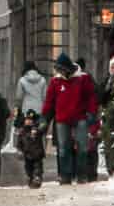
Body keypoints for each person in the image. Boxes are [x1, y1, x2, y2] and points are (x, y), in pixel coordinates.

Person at [40, 53, 99, 185]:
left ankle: (81, 174)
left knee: (82, 147)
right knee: (63, 148)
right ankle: (65, 175)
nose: (61, 72)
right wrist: (44, 118)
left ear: (68, 68)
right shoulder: (56, 81)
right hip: (62, 119)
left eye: (62, 69)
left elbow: (91, 97)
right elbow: (49, 101)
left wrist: (91, 112)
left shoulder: (83, 78)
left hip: (80, 117)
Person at [75, 58, 101, 183]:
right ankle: (91, 173)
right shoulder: (89, 79)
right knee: (91, 144)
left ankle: (84, 173)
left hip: (83, 114)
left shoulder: (77, 80)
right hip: (90, 113)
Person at [14, 111, 46, 188]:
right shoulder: (22, 131)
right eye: (27, 119)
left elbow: (43, 126)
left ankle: (37, 178)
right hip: (27, 154)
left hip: (37, 154)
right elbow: (19, 143)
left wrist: (38, 127)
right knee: (28, 168)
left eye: (31, 120)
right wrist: (19, 150)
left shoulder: (37, 130)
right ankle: (31, 179)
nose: (29, 121)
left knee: (38, 167)